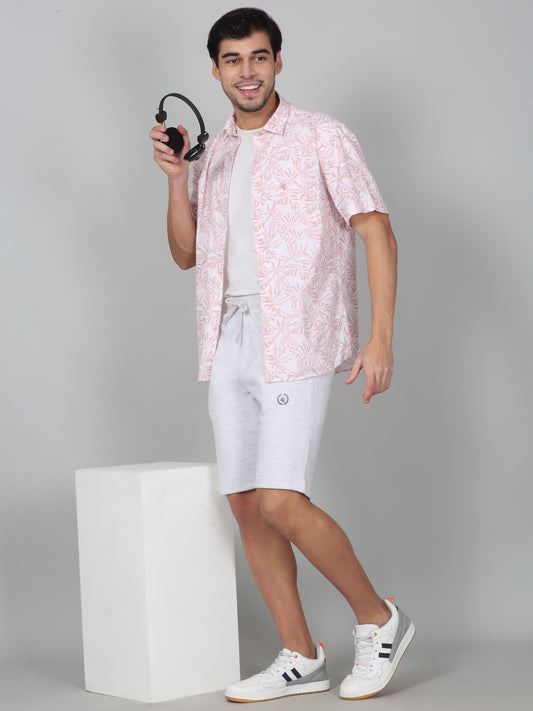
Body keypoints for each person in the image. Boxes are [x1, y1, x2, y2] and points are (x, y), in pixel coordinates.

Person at [149, 7, 414, 703]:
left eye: (259, 57)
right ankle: (299, 654)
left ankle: (379, 620)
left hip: (296, 334)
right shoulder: (214, 154)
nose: (247, 72)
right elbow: (186, 254)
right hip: (226, 336)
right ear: (215, 70)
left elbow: (377, 231)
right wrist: (176, 178)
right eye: (233, 60)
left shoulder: (323, 136)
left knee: (281, 500)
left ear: (277, 62)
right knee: (245, 502)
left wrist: (380, 335)